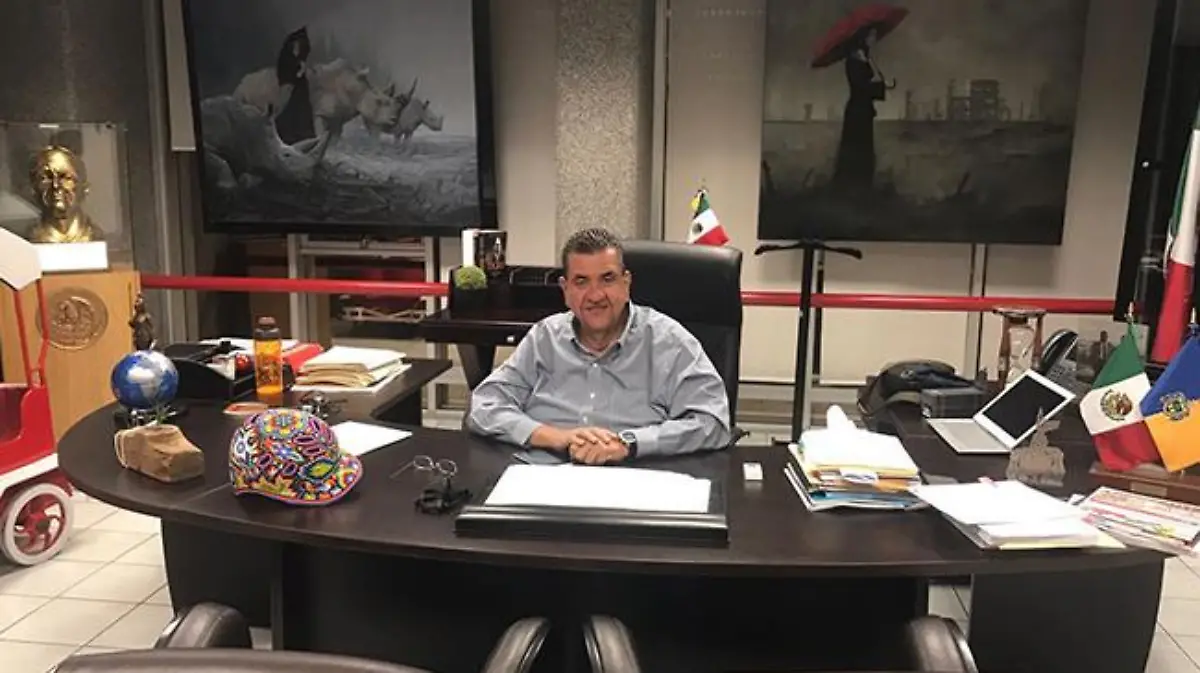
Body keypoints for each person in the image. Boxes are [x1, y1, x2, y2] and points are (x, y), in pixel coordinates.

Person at [466, 228, 732, 464]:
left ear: (626, 283)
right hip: (543, 477)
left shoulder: (669, 342)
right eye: (581, 281)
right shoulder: (545, 338)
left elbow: (713, 423)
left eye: (607, 279)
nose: (595, 295)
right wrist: (556, 437)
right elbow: (483, 406)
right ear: (565, 289)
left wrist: (628, 443)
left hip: (634, 479)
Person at [832, 26, 895, 191]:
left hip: (862, 109)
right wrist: (880, 87)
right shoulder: (854, 60)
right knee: (857, 147)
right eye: (871, 35)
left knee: (862, 147)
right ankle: (853, 185)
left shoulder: (863, 58)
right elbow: (860, 87)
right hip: (858, 110)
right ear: (863, 37)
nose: (874, 38)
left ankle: (859, 184)